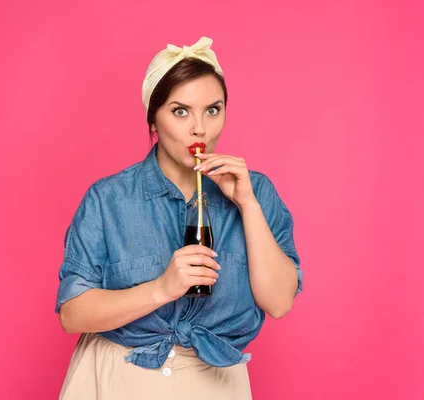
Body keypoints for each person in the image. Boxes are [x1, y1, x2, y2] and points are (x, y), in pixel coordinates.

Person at [54, 36, 304, 400]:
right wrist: (161, 289)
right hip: (118, 379)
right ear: (153, 119)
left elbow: (279, 302)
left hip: (217, 384)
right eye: (180, 111)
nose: (200, 129)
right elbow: (72, 315)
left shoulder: (256, 191)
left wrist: (247, 205)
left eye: (213, 110)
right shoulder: (108, 199)